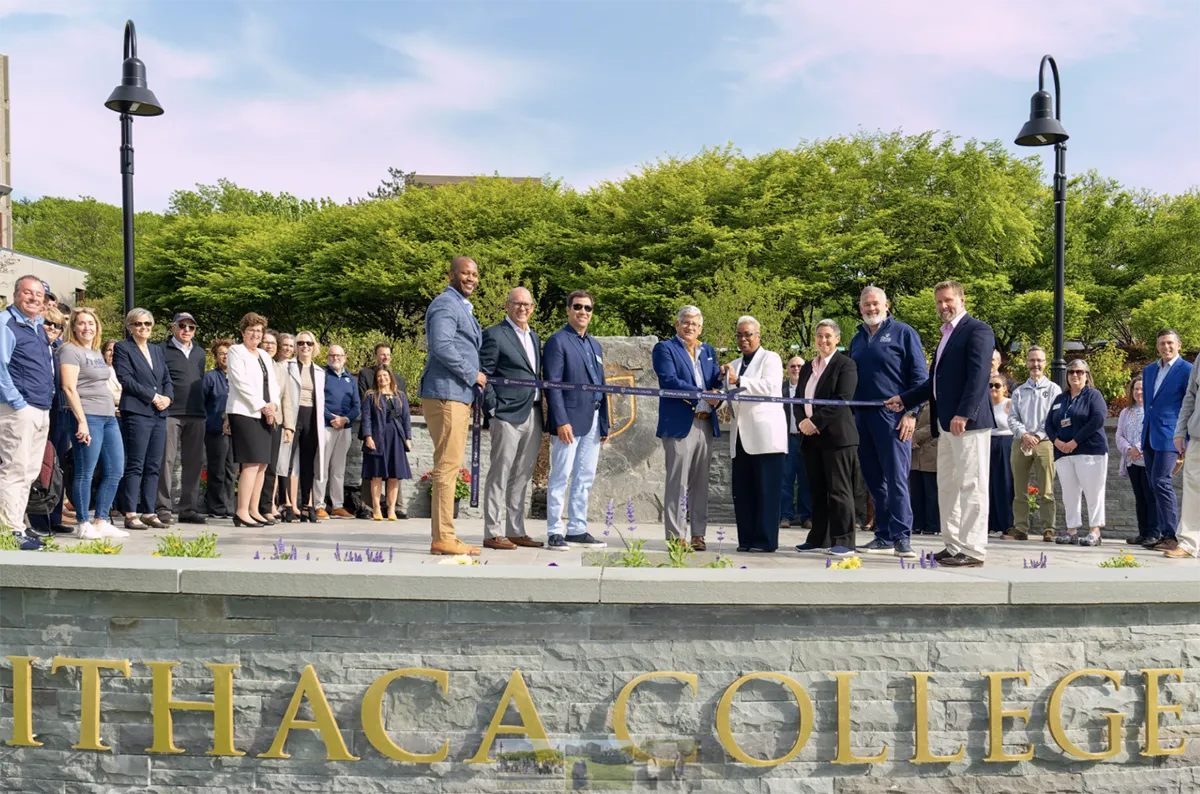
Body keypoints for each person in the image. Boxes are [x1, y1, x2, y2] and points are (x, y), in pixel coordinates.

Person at [886, 280, 995, 568]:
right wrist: (904, 398)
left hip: (967, 423)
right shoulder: (946, 335)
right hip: (945, 425)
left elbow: (978, 375)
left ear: (962, 299)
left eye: (948, 300)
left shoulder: (978, 330)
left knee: (972, 485)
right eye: (939, 302)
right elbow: (933, 382)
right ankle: (954, 545)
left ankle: (973, 550)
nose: (943, 306)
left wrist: (964, 413)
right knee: (947, 486)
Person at [848, 286, 927, 558]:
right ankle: (883, 535)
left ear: (886, 305)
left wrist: (911, 412)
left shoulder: (904, 333)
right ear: (860, 308)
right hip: (863, 416)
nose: (871, 309)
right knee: (873, 480)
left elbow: (920, 379)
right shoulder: (856, 338)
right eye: (866, 305)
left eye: (876, 304)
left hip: (893, 417)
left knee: (896, 479)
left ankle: (902, 536)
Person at [417, 256, 484, 556]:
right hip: (447, 394)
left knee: (449, 465)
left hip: (457, 395)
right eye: (464, 273)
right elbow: (441, 345)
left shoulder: (460, 306)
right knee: (447, 467)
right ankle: (443, 536)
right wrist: (473, 374)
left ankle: (444, 535)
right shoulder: (446, 304)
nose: (470, 278)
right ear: (451, 275)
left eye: (474, 274)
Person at [479, 288, 546, 550]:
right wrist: (494, 409)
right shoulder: (494, 335)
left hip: (534, 411)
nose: (522, 308)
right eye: (517, 303)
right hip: (506, 414)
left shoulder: (535, 337)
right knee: (500, 473)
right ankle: (493, 532)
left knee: (522, 475)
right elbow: (484, 375)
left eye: (527, 304)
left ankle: (515, 529)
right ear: (507, 305)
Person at [651, 305, 721, 549]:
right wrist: (703, 392)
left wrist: (721, 389)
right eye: (686, 322)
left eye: (695, 324)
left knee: (701, 483)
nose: (690, 327)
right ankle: (676, 535)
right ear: (677, 324)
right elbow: (669, 380)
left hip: (706, 421)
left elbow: (715, 383)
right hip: (680, 423)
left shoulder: (709, 350)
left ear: (701, 327)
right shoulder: (665, 349)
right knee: (677, 482)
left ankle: (698, 535)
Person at [544, 290, 610, 551]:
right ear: (568, 310)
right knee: (560, 474)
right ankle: (554, 530)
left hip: (593, 418)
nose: (583, 312)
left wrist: (604, 421)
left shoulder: (595, 345)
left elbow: (601, 385)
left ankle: (577, 528)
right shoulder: (557, 341)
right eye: (578, 307)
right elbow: (553, 384)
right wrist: (561, 420)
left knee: (585, 476)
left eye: (588, 308)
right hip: (568, 421)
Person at [57, 307, 127, 540]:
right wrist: (82, 422)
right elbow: (68, 388)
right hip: (86, 416)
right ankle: (83, 522)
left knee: (115, 469)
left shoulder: (95, 352)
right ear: (74, 327)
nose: (87, 328)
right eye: (82, 323)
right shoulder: (69, 350)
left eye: (91, 323)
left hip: (108, 416)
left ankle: (101, 519)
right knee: (85, 471)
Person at [793, 320, 861, 557]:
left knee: (839, 491)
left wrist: (815, 422)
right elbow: (798, 398)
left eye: (828, 336)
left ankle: (844, 541)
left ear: (837, 339)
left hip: (837, 438)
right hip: (811, 439)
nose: (823, 340)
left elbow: (842, 399)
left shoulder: (846, 365)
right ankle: (818, 538)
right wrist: (802, 421)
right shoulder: (807, 367)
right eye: (819, 336)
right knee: (817, 489)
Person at [724, 315, 787, 552]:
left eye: (748, 334)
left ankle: (765, 541)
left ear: (758, 336)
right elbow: (727, 396)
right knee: (743, 491)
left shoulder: (770, 358)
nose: (743, 339)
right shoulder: (734, 363)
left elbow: (770, 387)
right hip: (739, 436)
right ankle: (746, 539)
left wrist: (738, 380)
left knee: (766, 491)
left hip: (766, 437)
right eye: (739, 335)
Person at [0, 276, 55, 533]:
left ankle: (17, 524)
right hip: (18, 409)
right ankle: (10, 531)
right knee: (15, 469)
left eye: (38, 294)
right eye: (27, 293)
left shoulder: (37, 326)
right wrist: (18, 403)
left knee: (30, 472)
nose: (33, 298)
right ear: (15, 294)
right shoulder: (5, 323)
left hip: (41, 408)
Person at [113, 308, 174, 530]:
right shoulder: (123, 348)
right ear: (130, 326)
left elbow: (167, 378)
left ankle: (149, 511)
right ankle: (130, 512)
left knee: (154, 464)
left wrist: (167, 398)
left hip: (159, 413)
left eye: (148, 324)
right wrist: (153, 396)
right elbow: (126, 379)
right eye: (139, 324)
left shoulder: (157, 350)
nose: (144, 328)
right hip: (138, 411)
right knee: (136, 463)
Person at [225, 312, 281, 528]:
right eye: (251, 331)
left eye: (259, 331)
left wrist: (273, 405)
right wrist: (262, 405)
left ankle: (254, 509)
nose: (256, 335)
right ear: (243, 332)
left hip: (266, 413)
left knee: (262, 464)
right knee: (250, 462)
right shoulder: (236, 351)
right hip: (245, 412)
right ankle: (241, 511)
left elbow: (273, 384)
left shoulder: (264, 355)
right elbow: (240, 383)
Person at [1045, 359, 1108, 546]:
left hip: (1089, 451)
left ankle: (1095, 531)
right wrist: (1057, 442)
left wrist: (1074, 441)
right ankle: (1071, 530)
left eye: (1079, 372)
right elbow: (1049, 423)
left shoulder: (1093, 396)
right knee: (1069, 493)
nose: (1075, 375)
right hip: (1063, 453)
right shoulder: (1060, 399)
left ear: (1087, 376)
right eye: (1071, 372)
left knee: (1093, 492)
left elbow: (1097, 419)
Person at [1141, 329, 1193, 551]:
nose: (1166, 347)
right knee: (1154, 484)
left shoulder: (1187, 370)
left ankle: (1172, 536)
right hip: (1149, 434)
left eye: (1170, 343)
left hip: (1172, 436)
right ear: (1157, 346)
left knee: (1161, 482)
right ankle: (1164, 533)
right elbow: (1148, 405)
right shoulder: (1149, 370)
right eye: (1162, 343)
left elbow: (1190, 404)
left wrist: (1185, 437)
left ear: (1179, 344)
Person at [1004, 346, 1061, 542]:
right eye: (1032, 360)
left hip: (1045, 443)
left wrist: (1037, 435)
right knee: (1019, 488)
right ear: (1027, 363)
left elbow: (1055, 418)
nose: (1035, 364)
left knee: (1046, 489)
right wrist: (1024, 434)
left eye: (1039, 360)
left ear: (1045, 363)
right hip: (1021, 443)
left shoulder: (1054, 389)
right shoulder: (1019, 392)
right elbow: (1012, 418)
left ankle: (1049, 529)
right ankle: (1020, 528)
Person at [156, 312, 208, 525]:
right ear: (173, 327)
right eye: (182, 326)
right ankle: (163, 507)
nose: (187, 330)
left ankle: (188, 508)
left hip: (196, 412)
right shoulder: (160, 350)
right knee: (166, 461)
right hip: (171, 412)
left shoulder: (200, 353)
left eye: (191, 327)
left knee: (193, 463)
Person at [280, 331, 326, 523]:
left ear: (313, 346)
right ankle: (286, 504)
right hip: (292, 415)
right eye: (300, 343)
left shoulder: (320, 372)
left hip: (312, 417)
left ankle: (307, 505)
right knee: (286, 461)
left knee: (308, 463)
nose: (304, 346)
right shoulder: (287, 366)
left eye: (308, 343)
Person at [315, 344, 360, 519]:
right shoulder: (323, 375)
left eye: (339, 355)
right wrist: (332, 418)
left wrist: (345, 419)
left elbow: (356, 405)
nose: (336, 358)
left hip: (345, 428)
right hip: (326, 426)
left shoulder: (351, 379)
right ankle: (318, 504)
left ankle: (337, 505)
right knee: (322, 466)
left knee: (339, 468)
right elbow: (318, 400)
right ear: (327, 357)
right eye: (332, 355)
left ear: (345, 357)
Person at [361, 367, 412, 520]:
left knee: (394, 476)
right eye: (379, 376)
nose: (382, 378)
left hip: (395, 438)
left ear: (390, 377)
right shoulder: (371, 396)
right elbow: (366, 418)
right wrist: (368, 436)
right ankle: (376, 509)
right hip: (377, 437)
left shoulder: (400, 396)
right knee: (376, 475)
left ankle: (391, 509)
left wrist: (407, 438)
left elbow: (406, 419)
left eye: (385, 375)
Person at [1166, 360, 1200, 558]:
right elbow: (1190, 396)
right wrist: (1180, 431)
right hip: (1197, 436)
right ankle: (1188, 543)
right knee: (1193, 489)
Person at [1118, 376, 1155, 547]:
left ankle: (1154, 534)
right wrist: (1128, 449)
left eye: (1142, 389)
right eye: (1136, 389)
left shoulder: (1152, 410)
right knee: (1139, 498)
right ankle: (1143, 533)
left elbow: (1151, 433)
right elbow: (1119, 436)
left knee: (1150, 497)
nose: (1139, 392)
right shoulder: (1125, 413)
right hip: (1131, 462)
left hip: (1147, 460)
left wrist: (1138, 449)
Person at [202, 337, 236, 519]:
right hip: (215, 430)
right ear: (215, 356)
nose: (225, 357)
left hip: (237, 431)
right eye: (221, 354)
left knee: (232, 469)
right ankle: (216, 507)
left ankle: (230, 506)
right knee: (217, 469)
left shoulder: (239, 377)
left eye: (228, 354)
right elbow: (202, 404)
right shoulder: (210, 377)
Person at [779, 355, 812, 530]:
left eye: (800, 366)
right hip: (787, 439)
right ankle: (786, 516)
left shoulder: (810, 387)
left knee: (806, 479)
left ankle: (806, 516)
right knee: (786, 480)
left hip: (806, 439)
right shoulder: (780, 389)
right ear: (787, 368)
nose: (796, 369)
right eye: (793, 366)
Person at [268, 332, 295, 522]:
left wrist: (289, 426)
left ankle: (269, 505)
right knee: (259, 465)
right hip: (255, 418)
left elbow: (285, 398)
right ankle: (265, 504)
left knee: (274, 466)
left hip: (277, 420)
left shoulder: (281, 368)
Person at [988, 376, 1015, 536]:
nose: (993, 388)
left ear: (1005, 388)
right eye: (990, 385)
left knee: (1004, 483)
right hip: (988, 443)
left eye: (997, 385)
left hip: (1005, 444)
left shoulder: (1009, 404)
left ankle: (1007, 524)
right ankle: (992, 524)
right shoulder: (985, 405)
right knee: (989, 484)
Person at [909, 403, 939, 536]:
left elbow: (935, 423)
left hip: (930, 449)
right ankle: (917, 524)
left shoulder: (936, 401)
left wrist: (915, 435)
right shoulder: (914, 403)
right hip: (914, 453)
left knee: (931, 492)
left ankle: (932, 525)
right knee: (916, 492)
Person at [102, 338, 121, 407]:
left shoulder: (126, 370)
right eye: (109, 350)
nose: (112, 353)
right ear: (104, 353)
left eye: (115, 350)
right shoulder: (101, 372)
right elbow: (109, 394)